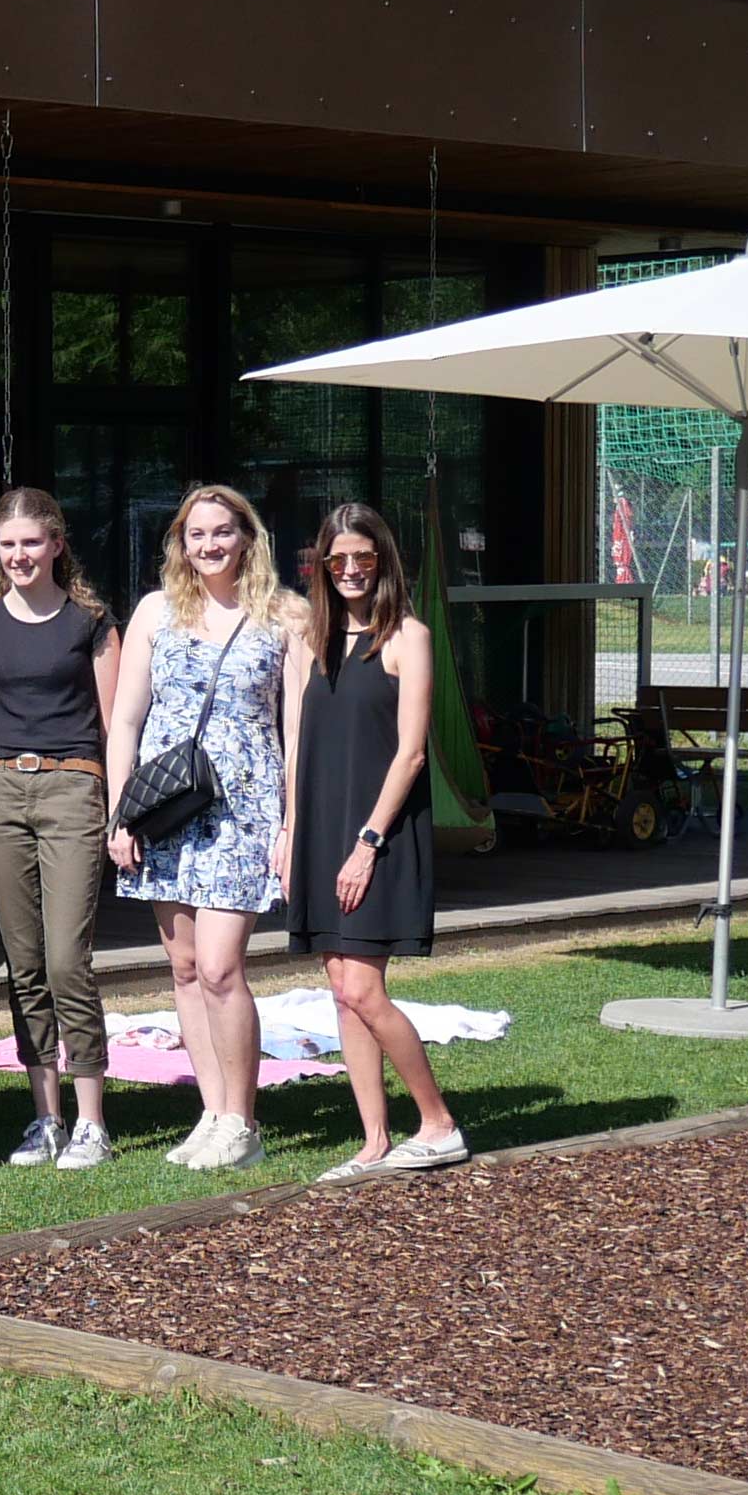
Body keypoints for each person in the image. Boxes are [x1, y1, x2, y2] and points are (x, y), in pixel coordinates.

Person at [107, 484, 300, 1174]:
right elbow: (126, 718)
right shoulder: (157, 611)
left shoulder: (284, 617)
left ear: (247, 536)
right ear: (179, 543)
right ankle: (213, 1112)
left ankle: (243, 1120)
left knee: (222, 967)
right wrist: (121, 812)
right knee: (185, 968)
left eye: (222, 531)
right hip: (166, 805)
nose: (209, 544)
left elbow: (295, 730)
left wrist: (291, 823)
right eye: (196, 534)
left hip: (245, 808)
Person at [288, 505, 467, 1181]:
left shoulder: (407, 636)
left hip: (378, 835)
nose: (352, 570)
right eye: (338, 561)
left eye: (363, 557)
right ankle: (373, 1142)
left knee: (362, 987)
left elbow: (412, 754)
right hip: (321, 833)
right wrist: (290, 834)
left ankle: (439, 1122)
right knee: (340, 987)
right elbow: (300, 744)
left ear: (384, 559)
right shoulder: (313, 639)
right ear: (322, 568)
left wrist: (367, 842)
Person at [0, 488, 121, 1173]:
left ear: (57, 543)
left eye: (32, 541)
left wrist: (115, 805)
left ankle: (92, 1123)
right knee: (23, 964)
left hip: (74, 785)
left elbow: (116, 725)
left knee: (66, 961)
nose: (20, 554)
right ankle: (46, 1118)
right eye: (8, 544)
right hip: (2, 791)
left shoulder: (90, 620)